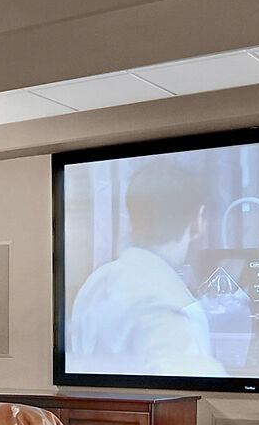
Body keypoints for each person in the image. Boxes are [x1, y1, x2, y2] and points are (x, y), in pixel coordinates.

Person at [68, 160, 227, 377]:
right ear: (198, 220)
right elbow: (188, 382)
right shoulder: (173, 307)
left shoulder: (96, 282)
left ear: (133, 217)